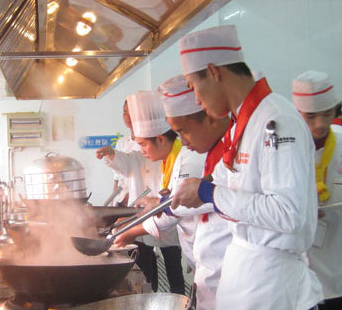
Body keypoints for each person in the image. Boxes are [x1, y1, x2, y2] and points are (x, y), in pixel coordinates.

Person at [171, 25, 322, 309]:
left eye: (192, 86)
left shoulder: (277, 121)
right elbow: (222, 179)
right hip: (248, 277)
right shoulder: (243, 123)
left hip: (274, 288)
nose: (196, 100)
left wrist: (207, 193)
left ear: (214, 72)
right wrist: (177, 199)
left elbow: (288, 213)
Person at [115, 75, 231, 310]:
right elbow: (176, 200)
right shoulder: (179, 157)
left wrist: (131, 231)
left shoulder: (190, 158)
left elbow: (177, 207)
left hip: (220, 264)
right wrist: (154, 205)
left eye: (183, 131)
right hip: (206, 260)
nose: (184, 141)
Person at [97, 91, 191, 295]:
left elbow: (173, 210)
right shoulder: (166, 156)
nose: (142, 151)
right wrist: (149, 207)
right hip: (193, 246)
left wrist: (131, 230)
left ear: (161, 139)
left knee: (173, 266)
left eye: (143, 145)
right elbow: (170, 203)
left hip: (209, 253)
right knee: (151, 267)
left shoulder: (184, 160)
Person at [292, 71, 342, 309]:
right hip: (298, 270)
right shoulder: (286, 150)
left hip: (337, 261)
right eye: (310, 116)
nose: (320, 124)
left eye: (327, 114)